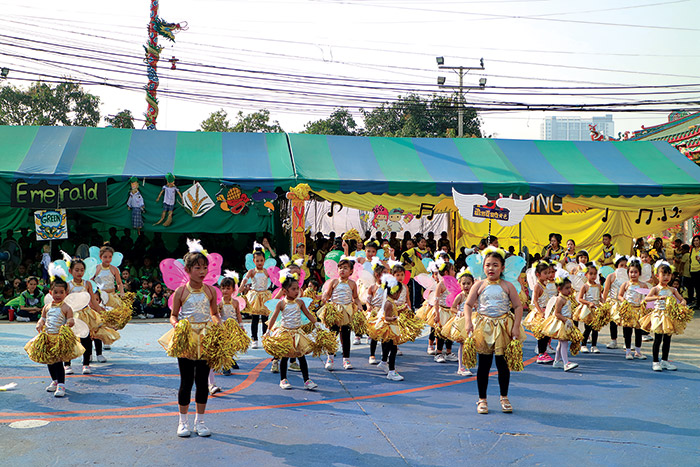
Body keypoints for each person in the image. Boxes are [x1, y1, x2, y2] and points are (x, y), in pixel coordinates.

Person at [158, 250, 221, 438]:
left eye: (205, 268)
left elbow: (214, 314)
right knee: (186, 382)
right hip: (186, 340)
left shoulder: (210, 290)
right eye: (197, 268)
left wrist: (219, 326)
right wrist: (177, 325)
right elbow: (173, 315)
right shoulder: (181, 291)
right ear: (187, 270)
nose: (202, 271)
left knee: (202, 383)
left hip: (205, 340)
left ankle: (200, 422)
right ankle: (182, 422)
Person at [464, 247, 524, 414]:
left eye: (495, 265)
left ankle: (504, 397)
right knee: (484, 365)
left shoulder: (508, 285)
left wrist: (516, 326)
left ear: (503, 268)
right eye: (488, 265)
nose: (491, 268)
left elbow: (518, 306)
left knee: (502, 365)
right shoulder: (479, 285)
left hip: (503, 328)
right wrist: (468, 321)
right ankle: (482, 399)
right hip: (484, 327)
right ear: (483, 267)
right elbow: (468, 305)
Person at [25, 278, 83, 398]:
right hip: (47, 338)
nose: (58, 295)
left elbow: (70, 319)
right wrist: (40, 323)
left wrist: (70, 322)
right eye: (55, 292)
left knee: (58, 362)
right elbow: (43, 318)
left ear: (66, 294)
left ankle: (61, 384)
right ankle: (54, 380)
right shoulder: (46, 307)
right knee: (49, 361)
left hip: (59, 339)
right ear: (50, 293)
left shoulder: (66, 307)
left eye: (61, 292)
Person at [266, 269, 319, 390]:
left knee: (301, 356)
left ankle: (307, 380)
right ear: (285, 291)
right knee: (285, 356)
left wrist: (316, 324)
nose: (297, 291)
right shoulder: (281, 304)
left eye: (297, 288)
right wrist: (268, 330)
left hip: (297, 333)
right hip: (285, 333)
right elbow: (274, 317)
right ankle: (283, 379)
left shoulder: (300, 302)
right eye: (293, 289)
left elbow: (308, 314)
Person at [65, 258, 119, 375]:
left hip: (86, 315)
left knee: (86, 340)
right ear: (70, 271)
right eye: (77, 270)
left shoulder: (87, 284)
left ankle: (86, 364)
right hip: (72, 315)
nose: (79, 272)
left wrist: (101, 311)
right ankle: (67, 364)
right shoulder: (67, 285)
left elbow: (92, 302)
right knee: (69, 339)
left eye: (82, 270)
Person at [318, 257, 363, 371]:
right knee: (332, 334)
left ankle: (346, 359)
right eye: (340, 268)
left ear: (351, 271)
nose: (342, 270)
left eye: (345, 268)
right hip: (335, 310)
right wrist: (324, 298)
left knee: (346, 335)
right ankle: (330, 358)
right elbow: (327, 294)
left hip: (347, 311)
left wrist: (359, 306)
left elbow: (356, 297)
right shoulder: (334, 282)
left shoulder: (352, 284)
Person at [641, 261, 687, 371]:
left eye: (668, 275)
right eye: (663, 274)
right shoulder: (656, 289)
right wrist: (657, 298)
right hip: (659, 316)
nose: (666, 277)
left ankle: (665, 361)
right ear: (658, 276)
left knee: (667, 339)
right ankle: (655, 361)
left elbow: (681, 299)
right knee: (658, 339)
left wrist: (683, 302)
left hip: (669, 316)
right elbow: (646, 298)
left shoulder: (672, 290)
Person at [540, 274, 579, 372]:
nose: (569, 290)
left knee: (561, 344)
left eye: (570, 288)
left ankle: (557, 361)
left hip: (566, 322)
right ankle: (566, 363)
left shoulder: (567, 298)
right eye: (566, 288)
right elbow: (557, 313)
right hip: (562, 323)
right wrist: (566, 320)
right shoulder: (560, 299)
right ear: (559, 289)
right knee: (564, 343)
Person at [371, 274, 405, 381]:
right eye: (399, 292)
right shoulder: (388, 303)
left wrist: (400, 310)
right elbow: (386, 317)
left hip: (391, 327)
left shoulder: (391, 302)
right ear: (394, 291)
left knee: (387, 348)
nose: (399, 295)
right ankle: (391, 371)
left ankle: (383, 362)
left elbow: (392, 312)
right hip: (390, 328)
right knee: (393, 349)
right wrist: (394, 318)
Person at [523, 261, 555, 364]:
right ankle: (541, 354)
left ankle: (544, 351)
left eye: (549, 273)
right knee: (542, 334)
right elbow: (535, 300)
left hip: (546, 311)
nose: (548, 275)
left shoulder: (544, 284)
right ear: (538, 274)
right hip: (540, 312)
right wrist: (541, 312)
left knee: (547, 333)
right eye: (545, 273)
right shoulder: (537, 286)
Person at [616, 259, 647, 361]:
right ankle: (628, 351)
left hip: (638, 311)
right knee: (627, 332)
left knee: (638, 332)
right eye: (631, 272)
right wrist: (623, 300)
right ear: (628, 273)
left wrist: (644, 303)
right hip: (628, 310)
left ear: (639, 273)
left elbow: (647, 296)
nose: (633, 274)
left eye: (635, 272)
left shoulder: (643, 285)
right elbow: (619, 295)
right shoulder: (625, 284)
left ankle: (638, 351)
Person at [243, 243, 272, 349]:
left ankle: (265, 337)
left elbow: (274, 279)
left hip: (264, 295)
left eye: (261, 260)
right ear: (254, 261)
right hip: (255, 296)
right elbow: (245, 280)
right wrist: (241, 287)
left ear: (264, 261)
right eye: (257, 261)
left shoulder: (266, 271)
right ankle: (254, 338)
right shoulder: (252, 271)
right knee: (255, 319)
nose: (259, 263)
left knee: (265, 318)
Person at [430, 260, 458, 363]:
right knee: (441, 332)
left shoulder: (454, 282)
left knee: (450, 332)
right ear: (446, 272)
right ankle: (439, 352)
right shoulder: (441, 284)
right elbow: (436, 300)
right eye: (452, 270)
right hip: (442, 311)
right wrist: (437, 313)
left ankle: (449, 352)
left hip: (451, 311)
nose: (454, 272)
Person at [449, 267, 475, 376]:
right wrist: (459, 312)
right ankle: (461, 367)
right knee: (463, 344)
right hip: (463, 322)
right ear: (460, 284)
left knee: (471, 345)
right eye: (463, 283)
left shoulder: (475, 296)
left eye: (468, 283)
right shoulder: (460, 296)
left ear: (473, 284)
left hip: (474, 320)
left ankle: (468, 364)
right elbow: (452, 308)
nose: (466, 286)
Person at [218, 273, 245, 374]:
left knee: (233, 345)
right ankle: (226, 365)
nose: (225, 291)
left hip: (233, 327)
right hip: (224, 327)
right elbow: (217, 315)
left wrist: (241, 326)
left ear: (233, 290)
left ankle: (231, 359)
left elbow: (238, 314)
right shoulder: (220, 303)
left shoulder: (235, 302)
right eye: (223, 288)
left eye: (228, 288)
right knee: (225, 345)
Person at [575, 263, 602, 354]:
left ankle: (594, 346)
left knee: (596, 328)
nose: (593, 276)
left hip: (596, 309)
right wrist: (589, 303)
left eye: (595, 274)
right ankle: (583, 345)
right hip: (588, 310)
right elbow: (580, 299)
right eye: (591, 274)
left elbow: (600, 297)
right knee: (588, 328)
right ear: (586, 274)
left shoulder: (598, 286)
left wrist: (604, 303)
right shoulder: (585, 286)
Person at [602, 255, 628, 349]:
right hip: (613, 302)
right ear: (617, 266)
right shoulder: (611, 276)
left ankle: (627, 341)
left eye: (626, 266)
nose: (624, 268)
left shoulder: (629, 277)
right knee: (613, 322)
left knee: (626, 322)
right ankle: (614, 340)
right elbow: (606, 290)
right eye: (621, 265)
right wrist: (603, 302)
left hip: (625, 302)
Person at [366, 261, 387, 365]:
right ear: (377, 275)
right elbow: (368, 300)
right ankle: (372, 354)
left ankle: (384, 355)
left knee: (385, 334)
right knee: (374, 334)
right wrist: (369, 307)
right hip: (375, 311)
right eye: (383, 273)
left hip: (384, 311)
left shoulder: (388, 287)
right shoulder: (372, 287)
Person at [689, 235, 700, 309]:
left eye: (697, 240)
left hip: (699, 270)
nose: (696, 242)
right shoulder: (692, 250)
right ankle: (698, 303)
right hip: (693, 270)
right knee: (696, 287)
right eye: (694, 240)